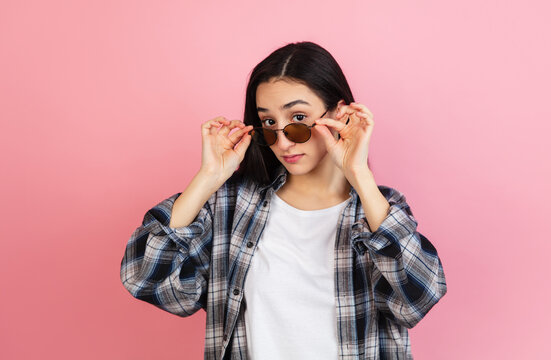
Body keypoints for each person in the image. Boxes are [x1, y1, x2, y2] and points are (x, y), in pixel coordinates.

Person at [120, 41, 447, 360]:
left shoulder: (380, 211)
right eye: (269, 124)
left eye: (299, 120)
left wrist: (358, 172)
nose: (284, 141)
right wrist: (208, 178)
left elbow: (419, 297)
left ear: (339, 113)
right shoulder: (232, 206)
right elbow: (145, 278)